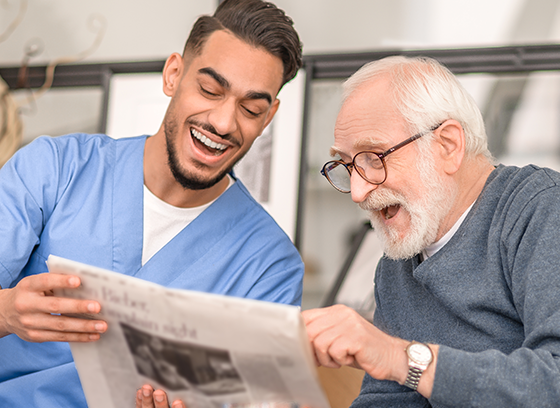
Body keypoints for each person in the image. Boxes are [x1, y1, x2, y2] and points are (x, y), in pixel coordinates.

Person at [0, 0, 304, 406]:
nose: (224, 122)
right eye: (210, 90)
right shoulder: (55, 169)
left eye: (251, 109)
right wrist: (5, 311)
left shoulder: (270, 267)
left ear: (268, 118)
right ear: (173, 74)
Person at [302, 55, 560, 407]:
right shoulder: (398, 262)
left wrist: (398, 357)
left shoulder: (542, 210)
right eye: (348, 166)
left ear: (448, 145)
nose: (359, 194)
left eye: (373, 158)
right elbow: (388, 400)